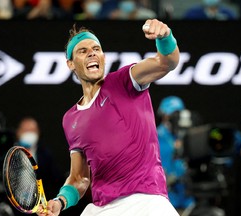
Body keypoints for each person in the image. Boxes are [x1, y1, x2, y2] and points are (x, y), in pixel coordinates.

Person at [36, 18, 180, 216]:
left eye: (96, 48)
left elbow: (166, 62)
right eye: (83, 51)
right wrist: (60, 201)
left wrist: (165, 37)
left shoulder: (123, 81)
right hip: (103, 208)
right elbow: (79, 179)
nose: (92, 53)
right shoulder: (71, 119)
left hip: (146, 202)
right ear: (70, 63)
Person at [156, 96, 195, 214]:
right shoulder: (154, 135)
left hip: (188, 197)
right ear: (163, 114)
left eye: (177, 114)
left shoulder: (189, 135)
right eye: (171, 114)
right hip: (166, 197)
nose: (173, 118)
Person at [15, 117, 61, 205]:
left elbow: (56, 181)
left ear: (38, 133)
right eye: (25, 130)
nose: (29, 134)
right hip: (15, 207)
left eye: (32, 130)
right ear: (18, 132)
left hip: (40, 205)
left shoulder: (46, 155)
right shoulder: (9, 155)